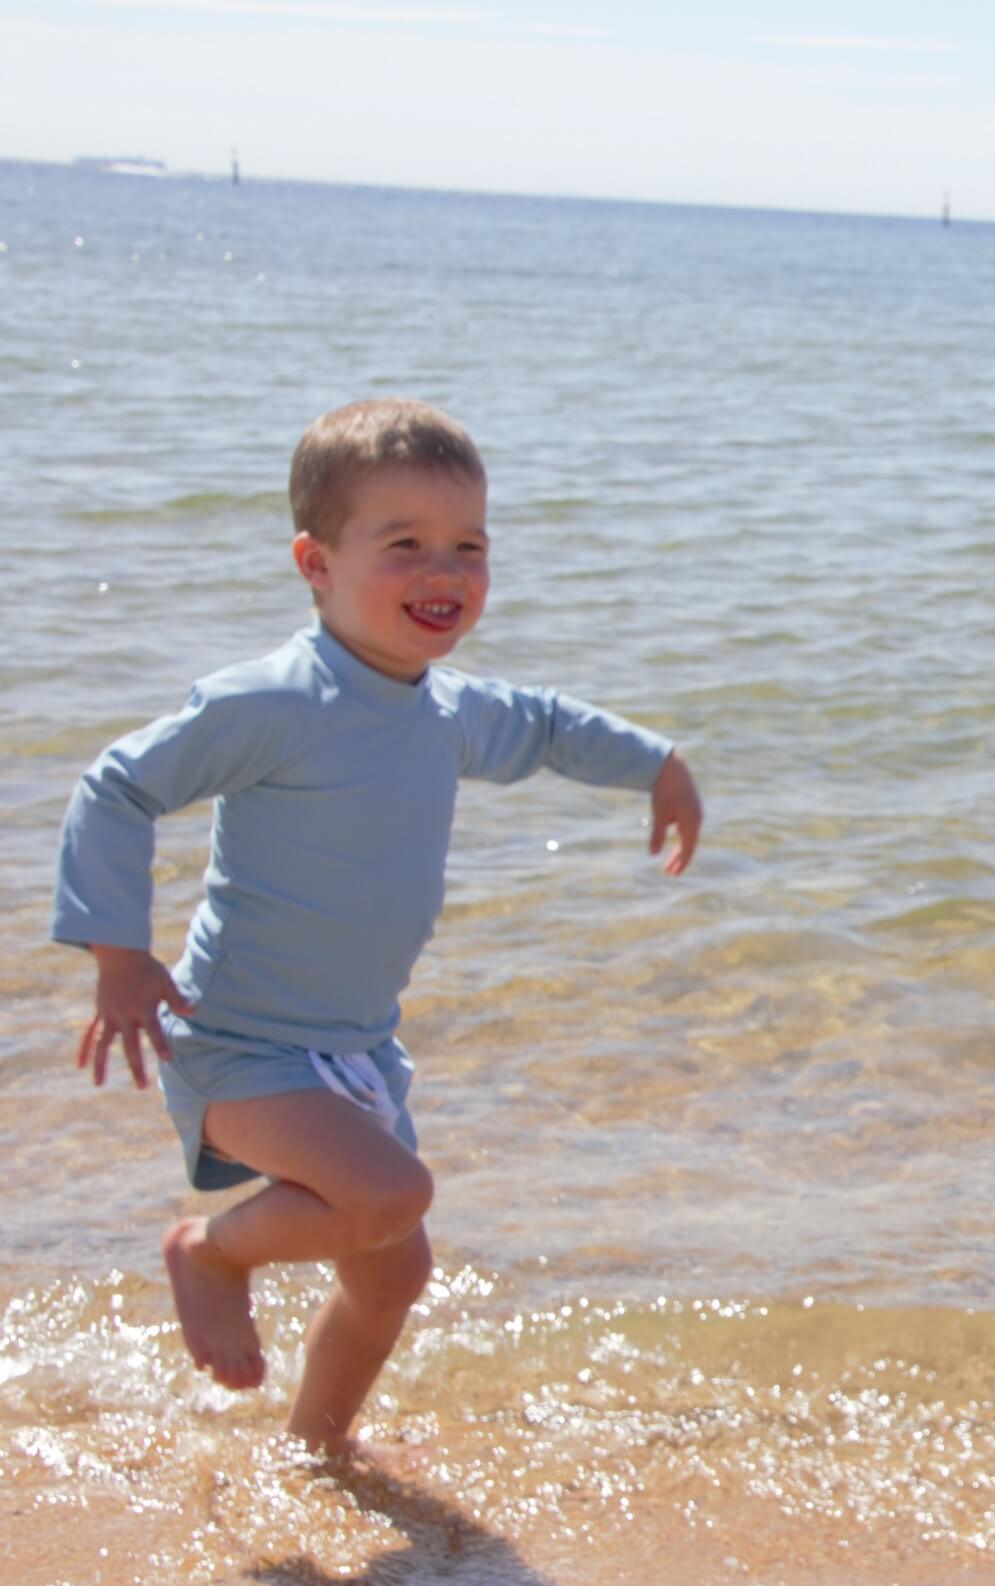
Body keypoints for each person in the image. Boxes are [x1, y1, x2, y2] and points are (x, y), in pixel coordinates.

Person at [53, 397, 702, 1457]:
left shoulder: (440, 710)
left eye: (467, 547)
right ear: (316, 562)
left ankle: (316, 1452)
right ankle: (211, 1255)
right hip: (240, 1044)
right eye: (403, 546)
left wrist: (655, 762)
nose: (442, 572)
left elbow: (541, 725)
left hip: (354, 1051)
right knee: (392, 1191)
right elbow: (118, 786)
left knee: (394, 1271)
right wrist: (117, 955)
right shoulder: (274, 703)